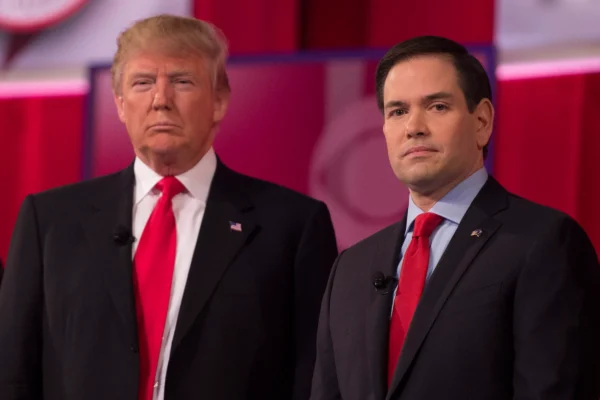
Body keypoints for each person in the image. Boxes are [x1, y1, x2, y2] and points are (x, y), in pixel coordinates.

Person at [0, 14, 338, 400]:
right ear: (120, 104)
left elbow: (313, 378)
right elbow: (13, 373)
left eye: (182, 81)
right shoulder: (48, 222)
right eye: (143, 83)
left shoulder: (293, 226)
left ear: (219, 101)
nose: (161, 100)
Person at [310, 36, 600, 400]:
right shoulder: (350, 269)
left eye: (437, 106)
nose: (414, 127)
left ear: (482, 121)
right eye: (397, 111)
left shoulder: (543, 243)